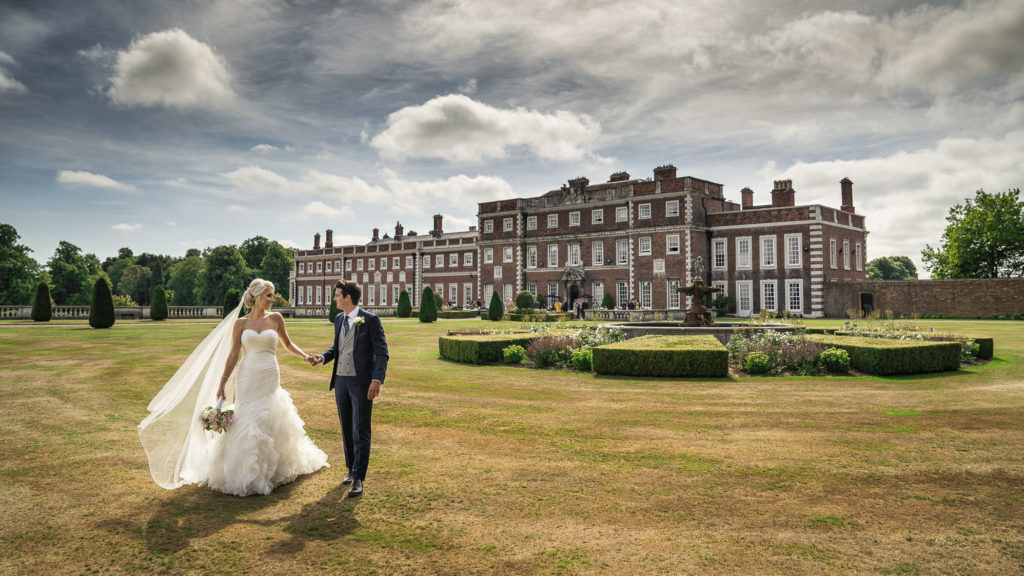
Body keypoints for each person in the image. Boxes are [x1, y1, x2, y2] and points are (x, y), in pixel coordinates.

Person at [139, 279, 328, 496]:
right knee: (247, 417)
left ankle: (272, 470)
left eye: (272, 295)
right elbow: (233, 354)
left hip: (269, 373)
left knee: (270, 415)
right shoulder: (240, 324)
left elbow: (287, 343)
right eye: (268, 295)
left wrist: (305, 356)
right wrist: (222, 383)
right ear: (256, 296)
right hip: (247, 375)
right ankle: (244, 470)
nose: (272, 299)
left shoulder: (276, 318)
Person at [309, 280, 389, 498]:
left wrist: (377, 380)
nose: (334, 299)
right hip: (341, 381)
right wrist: (322, 357)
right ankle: (350, 468)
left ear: (348, 298)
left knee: (360, 428)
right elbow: (337, 347)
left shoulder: (371, 320)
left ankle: (359, 478)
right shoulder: (338, 319)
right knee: (346, 427)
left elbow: (382, 353)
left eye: (337, 295)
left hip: (361, 382)